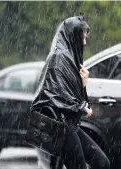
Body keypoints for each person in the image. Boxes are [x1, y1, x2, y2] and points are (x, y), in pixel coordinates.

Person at [29, 16, 110, 169]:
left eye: (86, 38)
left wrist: (83, 84)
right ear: (71, 36)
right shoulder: (58, 59)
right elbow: (54, 96)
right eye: (82, 38)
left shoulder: (70, 61)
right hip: (59, 125)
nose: (85, 43)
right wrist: (81, 107)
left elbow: (76, 100)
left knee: (102, 162)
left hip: (70, 124)